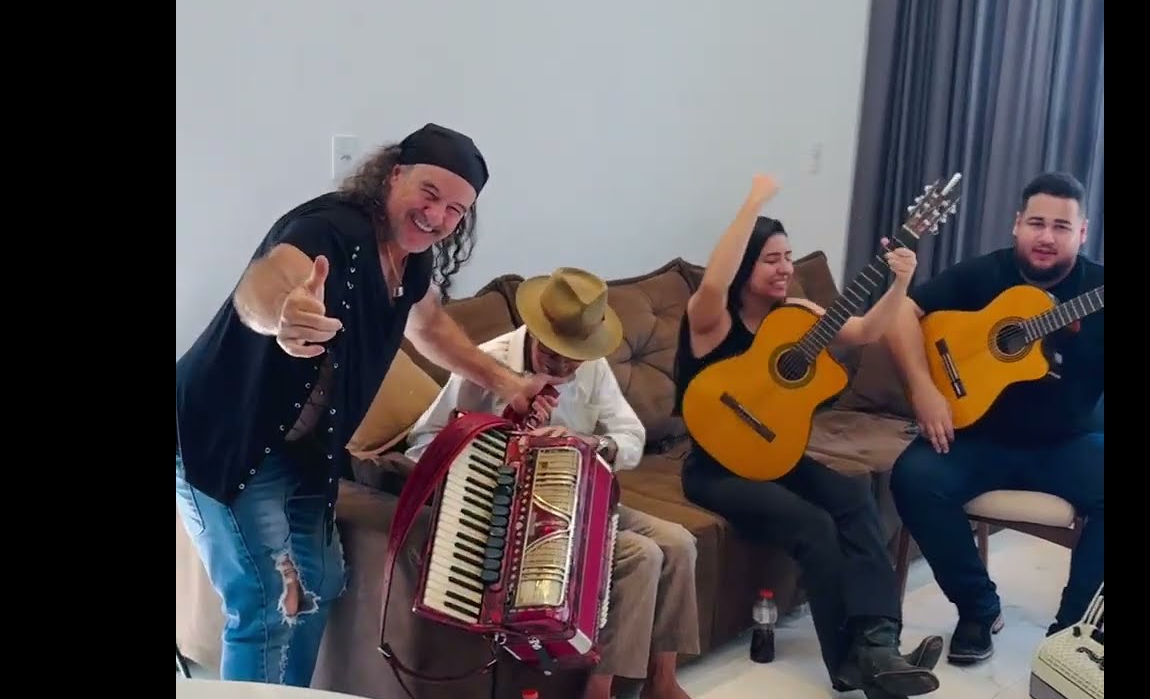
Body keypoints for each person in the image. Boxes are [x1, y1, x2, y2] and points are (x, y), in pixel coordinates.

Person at [175, 123, 559, 687]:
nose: (436, 216)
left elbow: (429, 328)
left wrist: (509, 384)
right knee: (264, 603)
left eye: (455, 210)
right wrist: (283, 314)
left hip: (305, 453)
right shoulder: (330, 228)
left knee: (320, 581)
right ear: (394, 175)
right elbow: (264, 283)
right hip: (224, 436)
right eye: (429, 193)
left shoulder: (412, 258)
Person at [673, 175, 944, 697]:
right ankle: (847, 665)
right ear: (745, 266)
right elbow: (713, 282)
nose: (786, 268)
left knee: (854, 496)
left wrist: (901, 284)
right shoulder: (712, 319)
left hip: (775, 453)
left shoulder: (796, 317)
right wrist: (754, 200)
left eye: (789, 257)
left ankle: (879, 643)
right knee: (813, 524)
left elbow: (865, 332)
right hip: (715, 467)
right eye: (771, 259)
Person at [404, 267, 701, 699]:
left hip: (582, 497)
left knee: (679, 543)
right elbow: (422, 444)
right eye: (552, 354)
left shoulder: (592, 366)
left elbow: (631, 436)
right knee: (642, 555)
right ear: (534, 331)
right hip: (514, 510)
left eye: (572, 357)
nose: (563, 366)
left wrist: (592, 444)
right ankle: (598, 690)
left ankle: (662, 681)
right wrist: (501, 445)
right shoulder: (487, 363)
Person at [883, 171, 1104, 666]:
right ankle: (978, 609)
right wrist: (924, 389)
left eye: (1061, 227)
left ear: (1082, 233)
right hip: (976, 437)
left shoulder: (1098, 289)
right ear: (1017, 224)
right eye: (1037, 223)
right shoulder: (983, 274)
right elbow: (900, 314)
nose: (1046, 237)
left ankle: (1072, 634)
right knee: (914, 477)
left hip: (1065, 444)